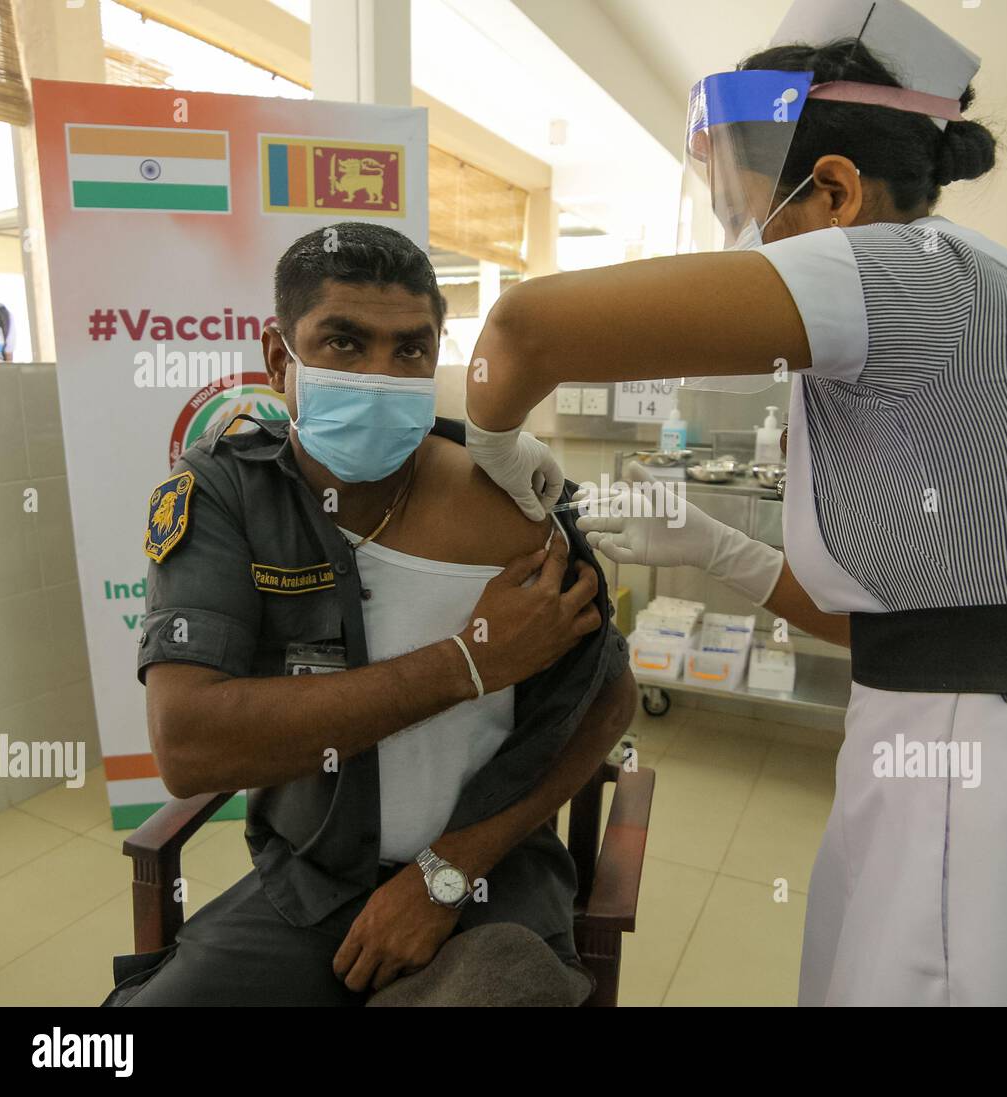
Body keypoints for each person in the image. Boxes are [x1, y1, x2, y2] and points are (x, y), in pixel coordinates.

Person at [458, 0, 1007, 1006]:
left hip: (1003, 798)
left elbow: (524, 329)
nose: (734, 247)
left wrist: (491, 435)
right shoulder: (992, 294)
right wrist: (709, 544)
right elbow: (902, 629)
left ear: (832, 190)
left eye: (742, 216)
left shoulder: (906, 268)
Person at [105, 223, 634, 1006]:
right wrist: (467, 664)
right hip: (311, 885)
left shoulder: (508, 509)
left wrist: (448, 869)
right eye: (345, 344)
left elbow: (607, 700)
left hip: (489, 880)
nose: (381, 375)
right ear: (280, 356)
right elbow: (187, 742)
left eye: (411, 350)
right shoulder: (227, 497)